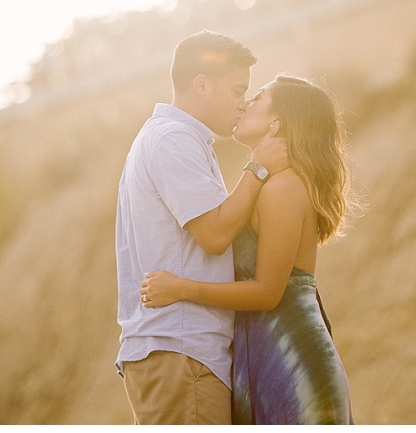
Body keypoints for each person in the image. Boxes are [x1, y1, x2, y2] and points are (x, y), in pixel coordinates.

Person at [141, 75, 355, 425]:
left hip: (292, 357)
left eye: (257, 97)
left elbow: (268, 292)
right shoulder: (268, 183)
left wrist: (182, 289)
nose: (245, 104)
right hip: (267, 346)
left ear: (277, 121)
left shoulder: (282, 189)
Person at [115, 31, 289, 425]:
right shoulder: (173, 140)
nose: (243, 102)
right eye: (237, 89)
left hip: (180, 352)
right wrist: (258, 167)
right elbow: (214, 235)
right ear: (202, 85)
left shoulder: (175, 138)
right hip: (181, 351)